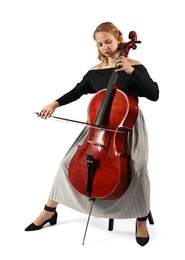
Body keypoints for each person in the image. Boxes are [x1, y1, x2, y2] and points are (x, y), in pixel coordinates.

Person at [25, 22, 159, 246]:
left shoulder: (133, 65)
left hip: (127, 126)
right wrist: (55, 104)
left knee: (138, 167)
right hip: (97, 128)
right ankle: (50, 210)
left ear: (118, 39)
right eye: (100, 43)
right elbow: (77, 91)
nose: (105, 47)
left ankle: (141, 218)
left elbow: (154, 94)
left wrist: (131, 71)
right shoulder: (95, 72)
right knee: (66, 163)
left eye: (108, 41)